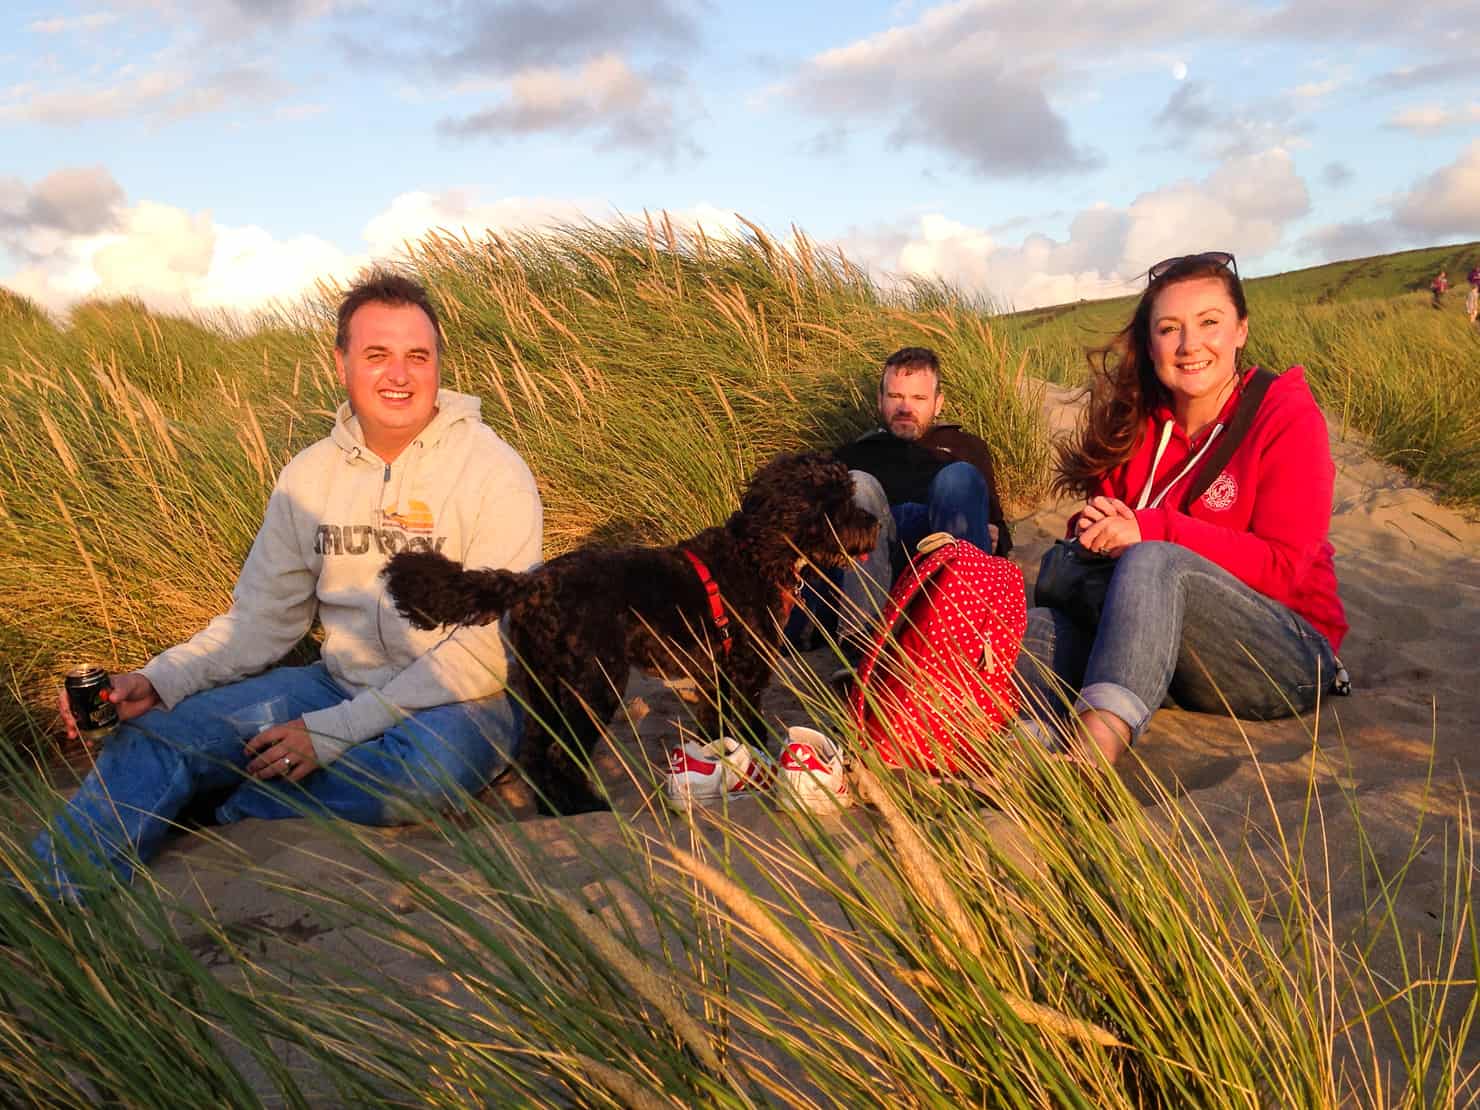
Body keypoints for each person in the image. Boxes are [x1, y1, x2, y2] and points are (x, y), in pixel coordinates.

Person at [33, 271, 542, 895]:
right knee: (156, 732)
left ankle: (235, 807)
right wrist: (159, 679)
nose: (399, 375)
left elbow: (485, 654)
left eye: (418, 356)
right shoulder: (310, 474)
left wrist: (334, 733)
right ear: (341, 362)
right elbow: (260, 621)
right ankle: (50, 890)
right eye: (377, 355)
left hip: (456, 700)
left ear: (439, 362)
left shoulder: (494, 469)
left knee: (429, 771)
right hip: (334, 681)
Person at [1016, 251, 1347, 764]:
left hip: (1285, 655)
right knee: (1027, 631)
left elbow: (1283, 569)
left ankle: (1087, 759)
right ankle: (985, 743)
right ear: (1150, 344)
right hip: (1165, 653)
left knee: (1155, 558)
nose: (1191, 345)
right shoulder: (1135, 423)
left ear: (1240, 329)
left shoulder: (1285, 414)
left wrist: (1151, 529)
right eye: (1170, 328)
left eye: (1209, 322)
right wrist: (1097, 528)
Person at [811, 346, 1011, 653]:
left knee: (958, 477)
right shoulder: (855, 453)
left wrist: (993, 532)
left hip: (941, 550)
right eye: (895, 397)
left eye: (918, 399)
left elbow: (1000, 535)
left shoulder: (966, 446)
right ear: (880, 400)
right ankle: (861, 646)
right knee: (858, 484)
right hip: (876, 560)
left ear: (937, 403)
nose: (905, 408)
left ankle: (962, 641)